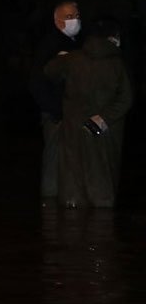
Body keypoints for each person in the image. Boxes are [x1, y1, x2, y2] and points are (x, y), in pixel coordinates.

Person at [45, 17, 132, 208]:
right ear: (114, 38)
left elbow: (49, 72)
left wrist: (60, 58)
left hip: (73, 127)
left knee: (73, 181)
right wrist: (104, 118)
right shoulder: (118, 64)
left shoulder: (72, 59)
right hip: (103, 130)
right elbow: (126, 98)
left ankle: (71, 217)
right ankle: (102, 227)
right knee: (102, 181)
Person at [29, 1, 83, 201]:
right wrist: (54, 110)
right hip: (56, 112)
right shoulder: (50, 44)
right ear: (57, 21)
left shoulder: (78, 43)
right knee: (54, 156)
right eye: (69, 17)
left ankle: (65, 198)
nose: (75, 20)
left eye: (76, 15)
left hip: (71, 111)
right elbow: (37, 81)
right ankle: (50, 200)